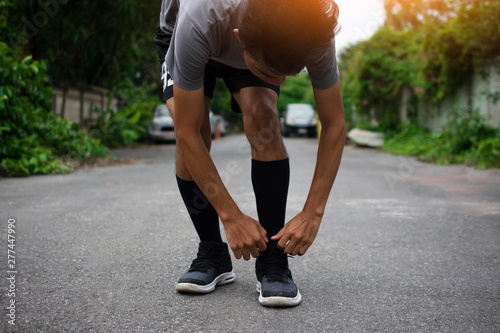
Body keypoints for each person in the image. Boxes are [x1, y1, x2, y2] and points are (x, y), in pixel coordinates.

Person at [154, 0, 345, 307]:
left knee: (263, 115)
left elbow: (334, 124)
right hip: (183, 32)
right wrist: (231, 216)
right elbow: (186, 133)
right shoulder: (199, 17)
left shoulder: (313, 27)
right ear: (240, 37)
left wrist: (314, 212)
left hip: (260, 35)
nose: (279, 82)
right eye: (270, 72)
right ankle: (212, 252)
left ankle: (272, 259)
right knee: (194, 127)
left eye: (287, 74)